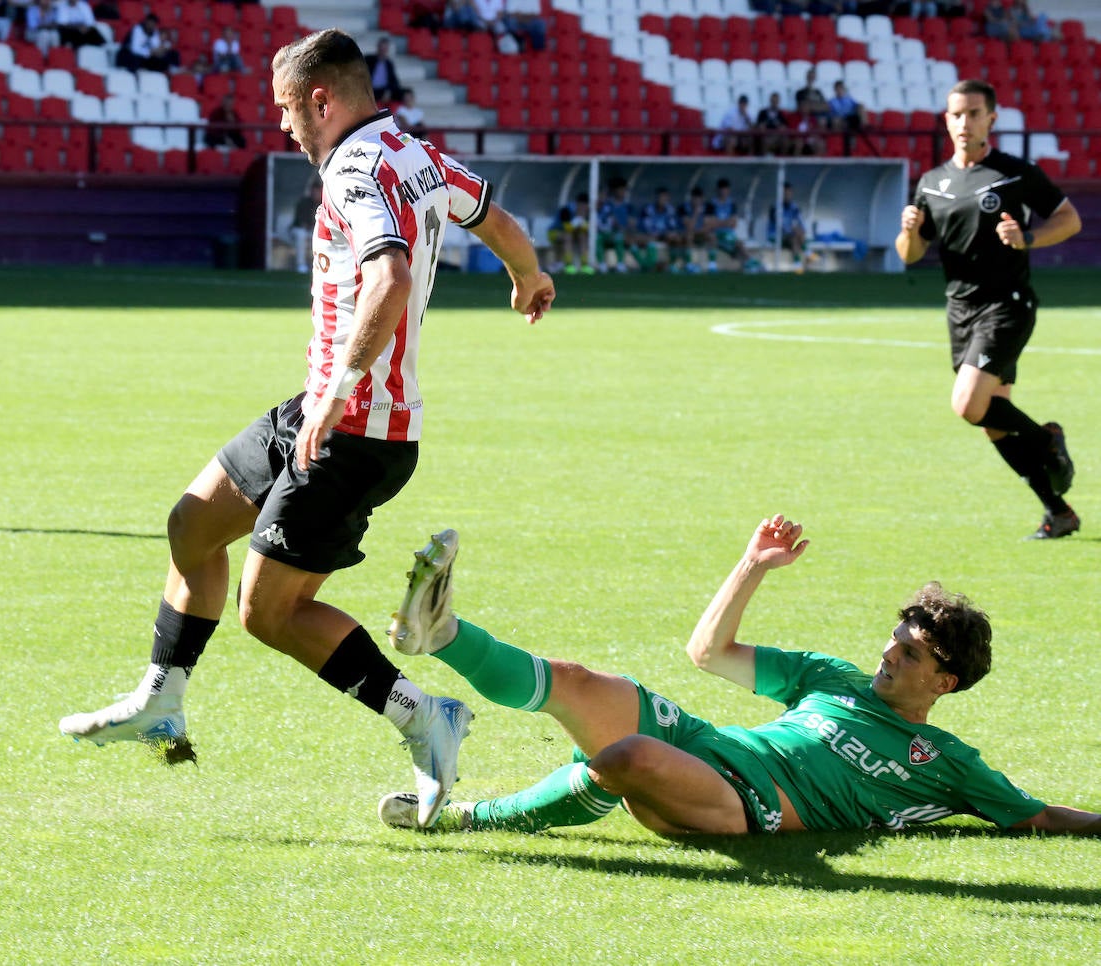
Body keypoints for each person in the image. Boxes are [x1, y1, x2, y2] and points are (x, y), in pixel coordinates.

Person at [58, 28, 556, 832]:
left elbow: (389, 276)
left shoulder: (354, 170)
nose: (286, 128)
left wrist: (341, 389)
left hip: (356, 430)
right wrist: (528, 272)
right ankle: (162, 700)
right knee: (194, 523)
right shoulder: (416, 154)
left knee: (271, 613)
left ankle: (426, 718)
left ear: (321, 100)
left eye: (289, 110)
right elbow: (492, 216)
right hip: (322, 410)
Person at [378, 516, 1101, 838]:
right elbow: (708, 653)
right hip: (709, 745)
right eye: (894, 640)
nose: (889, 655)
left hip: (745, 803)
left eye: (911, 655)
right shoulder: (833, 678)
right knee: (577, 683)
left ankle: (476, 817)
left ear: (945, 683)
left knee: (623, 758)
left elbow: (1035, 814)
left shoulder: (946, 764)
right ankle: (441, 634)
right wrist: (752, 567)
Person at [896, 79, 1082, 540]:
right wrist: (909, 231)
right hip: (959, 310)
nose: (964, 123)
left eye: (974, 114)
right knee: (993, 420)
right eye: (956, 115)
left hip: (1007, 305)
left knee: (968, 404)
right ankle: (1058, 511)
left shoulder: (1015, 173)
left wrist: (1028, 238)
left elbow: (1069, 219)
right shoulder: (931, 183)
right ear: (946, 120)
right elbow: (911, 254)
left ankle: (1046, 440)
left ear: (991, 120)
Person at [705, 177, 759, 272]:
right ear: (717, 190)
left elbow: (733, 223)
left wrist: (718, 222)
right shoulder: (711, 204)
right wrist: (725, 222)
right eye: (721, 189)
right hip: (717, 234)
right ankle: (712, 266)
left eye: (725, 189)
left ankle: (750, 264)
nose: (723, 192)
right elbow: (709, 224)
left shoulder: (731, 204)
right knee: (712, 237)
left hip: (729, 235)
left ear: (728, 190)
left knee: (738, 243)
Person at [638, 186, 687, 273]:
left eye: (665, 197)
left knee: (678, 239)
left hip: (665, 236)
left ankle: (673, 265)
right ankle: (647, 265)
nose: (663, 199)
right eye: (661, 197)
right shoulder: (648, 210)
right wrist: (661, 234)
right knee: (641, 238)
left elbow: (673, 227)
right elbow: (647, 228)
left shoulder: (670, 210)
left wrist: (669, 234)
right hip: (651, 236)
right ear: (657, 197)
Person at [768, 181, 813, 270]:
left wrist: (801, 230)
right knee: (794, 235)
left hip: (792, 236)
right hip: (775, 236)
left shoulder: (794, 207)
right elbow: (780, 225)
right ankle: (808, 253)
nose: (787, 195)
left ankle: (798, 266)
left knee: (795, 238)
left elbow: (801, 221)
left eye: (789, 193)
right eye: (785, 193)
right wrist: (793, 230)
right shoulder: (775, 207)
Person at [115, 13, 181, 73]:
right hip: (130, 55)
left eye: (154, 23)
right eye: (150, 22)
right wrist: (150, 52)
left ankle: (173, 72)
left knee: (172, 54)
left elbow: (156, 46)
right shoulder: (137, 30)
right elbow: (135, 49)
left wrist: (161, 50)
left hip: (146, 57)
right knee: (134, 59)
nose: (152, 25)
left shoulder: (154, 32)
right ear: (146, 21)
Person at [546, 193, 590, 275]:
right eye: (583, 205)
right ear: (579, 203)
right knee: (568, 236)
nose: (584, 208)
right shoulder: (566, 210)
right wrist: (579, 221)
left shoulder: (588, 212)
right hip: (554, 233)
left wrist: (582, 223)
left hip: (572, 234)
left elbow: (588, 228)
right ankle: (569, 265)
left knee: (583, 236)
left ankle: (585, 265)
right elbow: (567, 228)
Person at [289, 178, 322, 273]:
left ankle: (321, 265)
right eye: (314, 191)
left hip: (315, 231)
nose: (315, 193)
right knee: (301, 234)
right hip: (298, 230)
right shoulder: (304, 202)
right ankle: (301, 265)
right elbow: (300, 221)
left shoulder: (324, 203)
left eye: (317, 191)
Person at [364, 37, 402, 102]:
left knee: (401, 93)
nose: (383, 50)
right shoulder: (368, 59)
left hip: (383, 90)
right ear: (378, 48)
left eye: (385, 49)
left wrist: (388, 91)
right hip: (371, 89)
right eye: (381, 48)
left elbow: (394, 81)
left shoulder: (389, 64)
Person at [754, 91, 791, 156]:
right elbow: (760, 127)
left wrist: (778, 127)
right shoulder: (763, 112)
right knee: (765, 140)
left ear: (778, 102)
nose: (774, 103)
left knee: (785, 141)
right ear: (770, 100)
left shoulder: (782, 114)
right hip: (766, 136)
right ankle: (765, 163)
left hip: (778, 137)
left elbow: (784, 128)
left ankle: (783, 162)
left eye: (776, 101)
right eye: (773, 101)